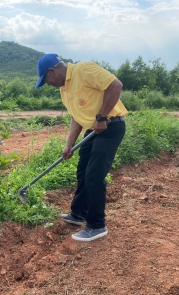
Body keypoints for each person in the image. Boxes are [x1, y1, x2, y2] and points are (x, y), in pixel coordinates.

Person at [35, 54, 128, 242]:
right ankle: (79, 214)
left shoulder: (83, 70)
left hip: (110, 126)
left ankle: (97, 225)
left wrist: (102, 117)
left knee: (94, 175)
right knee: (83, 171)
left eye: (46, 80)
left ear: (52, 71)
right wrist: (69, 145)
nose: (48, 84)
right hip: (94, 130)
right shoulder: (64, 89)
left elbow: (115, 85)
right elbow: (76, 117)